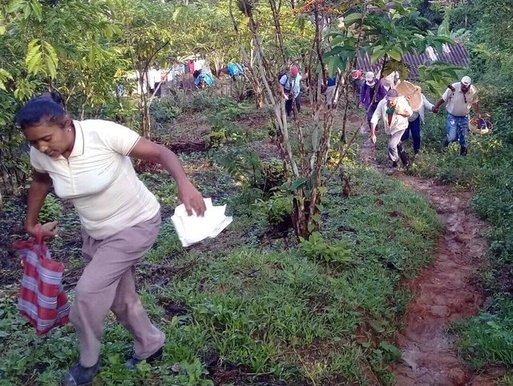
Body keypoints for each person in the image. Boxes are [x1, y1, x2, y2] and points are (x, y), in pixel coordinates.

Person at [16, 95, 206, 386]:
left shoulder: (101, 134)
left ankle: (87, 362)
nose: (42, 147)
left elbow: (160, 153)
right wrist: (31, 223)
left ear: (66, 124)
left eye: (46, 138)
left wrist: (184, 183)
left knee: (89, 293)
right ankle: (150, 344)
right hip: (95, 231)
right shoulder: (42, 154)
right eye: (33, 142)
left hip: (135, 224)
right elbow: (41, 181)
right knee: (120, 298)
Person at [432, 75, 480, 156]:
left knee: (464, 137)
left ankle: (463, 157)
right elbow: (443, 99)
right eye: (463, 86)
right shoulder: (453, 87)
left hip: (464, 117)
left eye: (466, 87)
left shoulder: (473, 91)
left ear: (470, 86)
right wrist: (436, 106)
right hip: (452, 116)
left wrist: (478, 113)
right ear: (460, 83)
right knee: (452, 136)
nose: (464, 88)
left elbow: (475, 103)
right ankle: (444, 146)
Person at [370, 89, 413, 169]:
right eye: (388, 100)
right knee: (397, 144)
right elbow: (375, 117)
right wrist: (373, 134)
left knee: (392, 145)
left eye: (392, 101)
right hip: (389, 128)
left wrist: (401, 113)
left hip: (400, 126)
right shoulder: (382, 103)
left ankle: (395, 164)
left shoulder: (402, 102)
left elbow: (410, 113)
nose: (390, 103)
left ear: (397, 99)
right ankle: (406, 161)